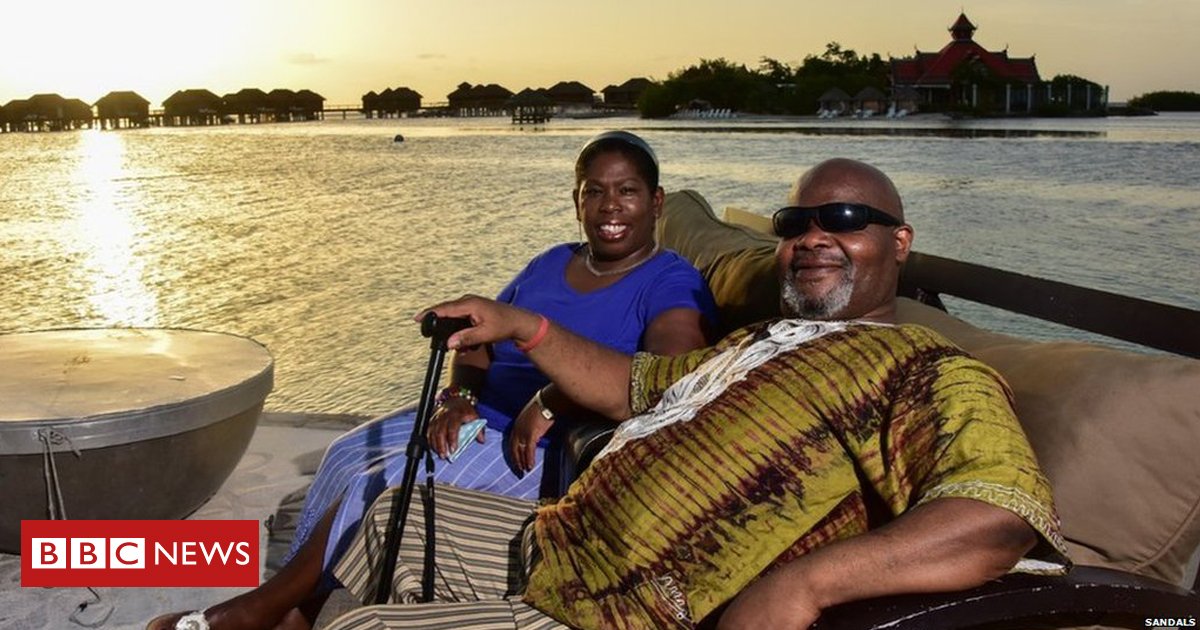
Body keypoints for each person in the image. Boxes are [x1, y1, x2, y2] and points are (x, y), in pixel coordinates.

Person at [320, 158, 1070, 630]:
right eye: (796, 223)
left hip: (628, 608)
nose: (814, 237)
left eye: (844, 220)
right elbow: (631, 384)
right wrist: (523, 325)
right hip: (565, 546)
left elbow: (997, 513)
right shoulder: (763, 341)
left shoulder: (920, 367)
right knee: (391, 515)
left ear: (899, 243)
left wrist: (803, 587)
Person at [147, 131, 717, 630]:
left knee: (385, 479)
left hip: (540, 446)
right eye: (594, 191)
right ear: (576, 202)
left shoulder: (670, 280)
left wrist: (554, 399)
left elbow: (667, 372)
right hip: (480, 417)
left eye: (627, 191)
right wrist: (460, 397)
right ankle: (299, 608)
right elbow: (480, 336)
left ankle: (254, 612)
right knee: (349, 451)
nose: (609, 205)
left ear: (656, 202)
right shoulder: (553, 261)